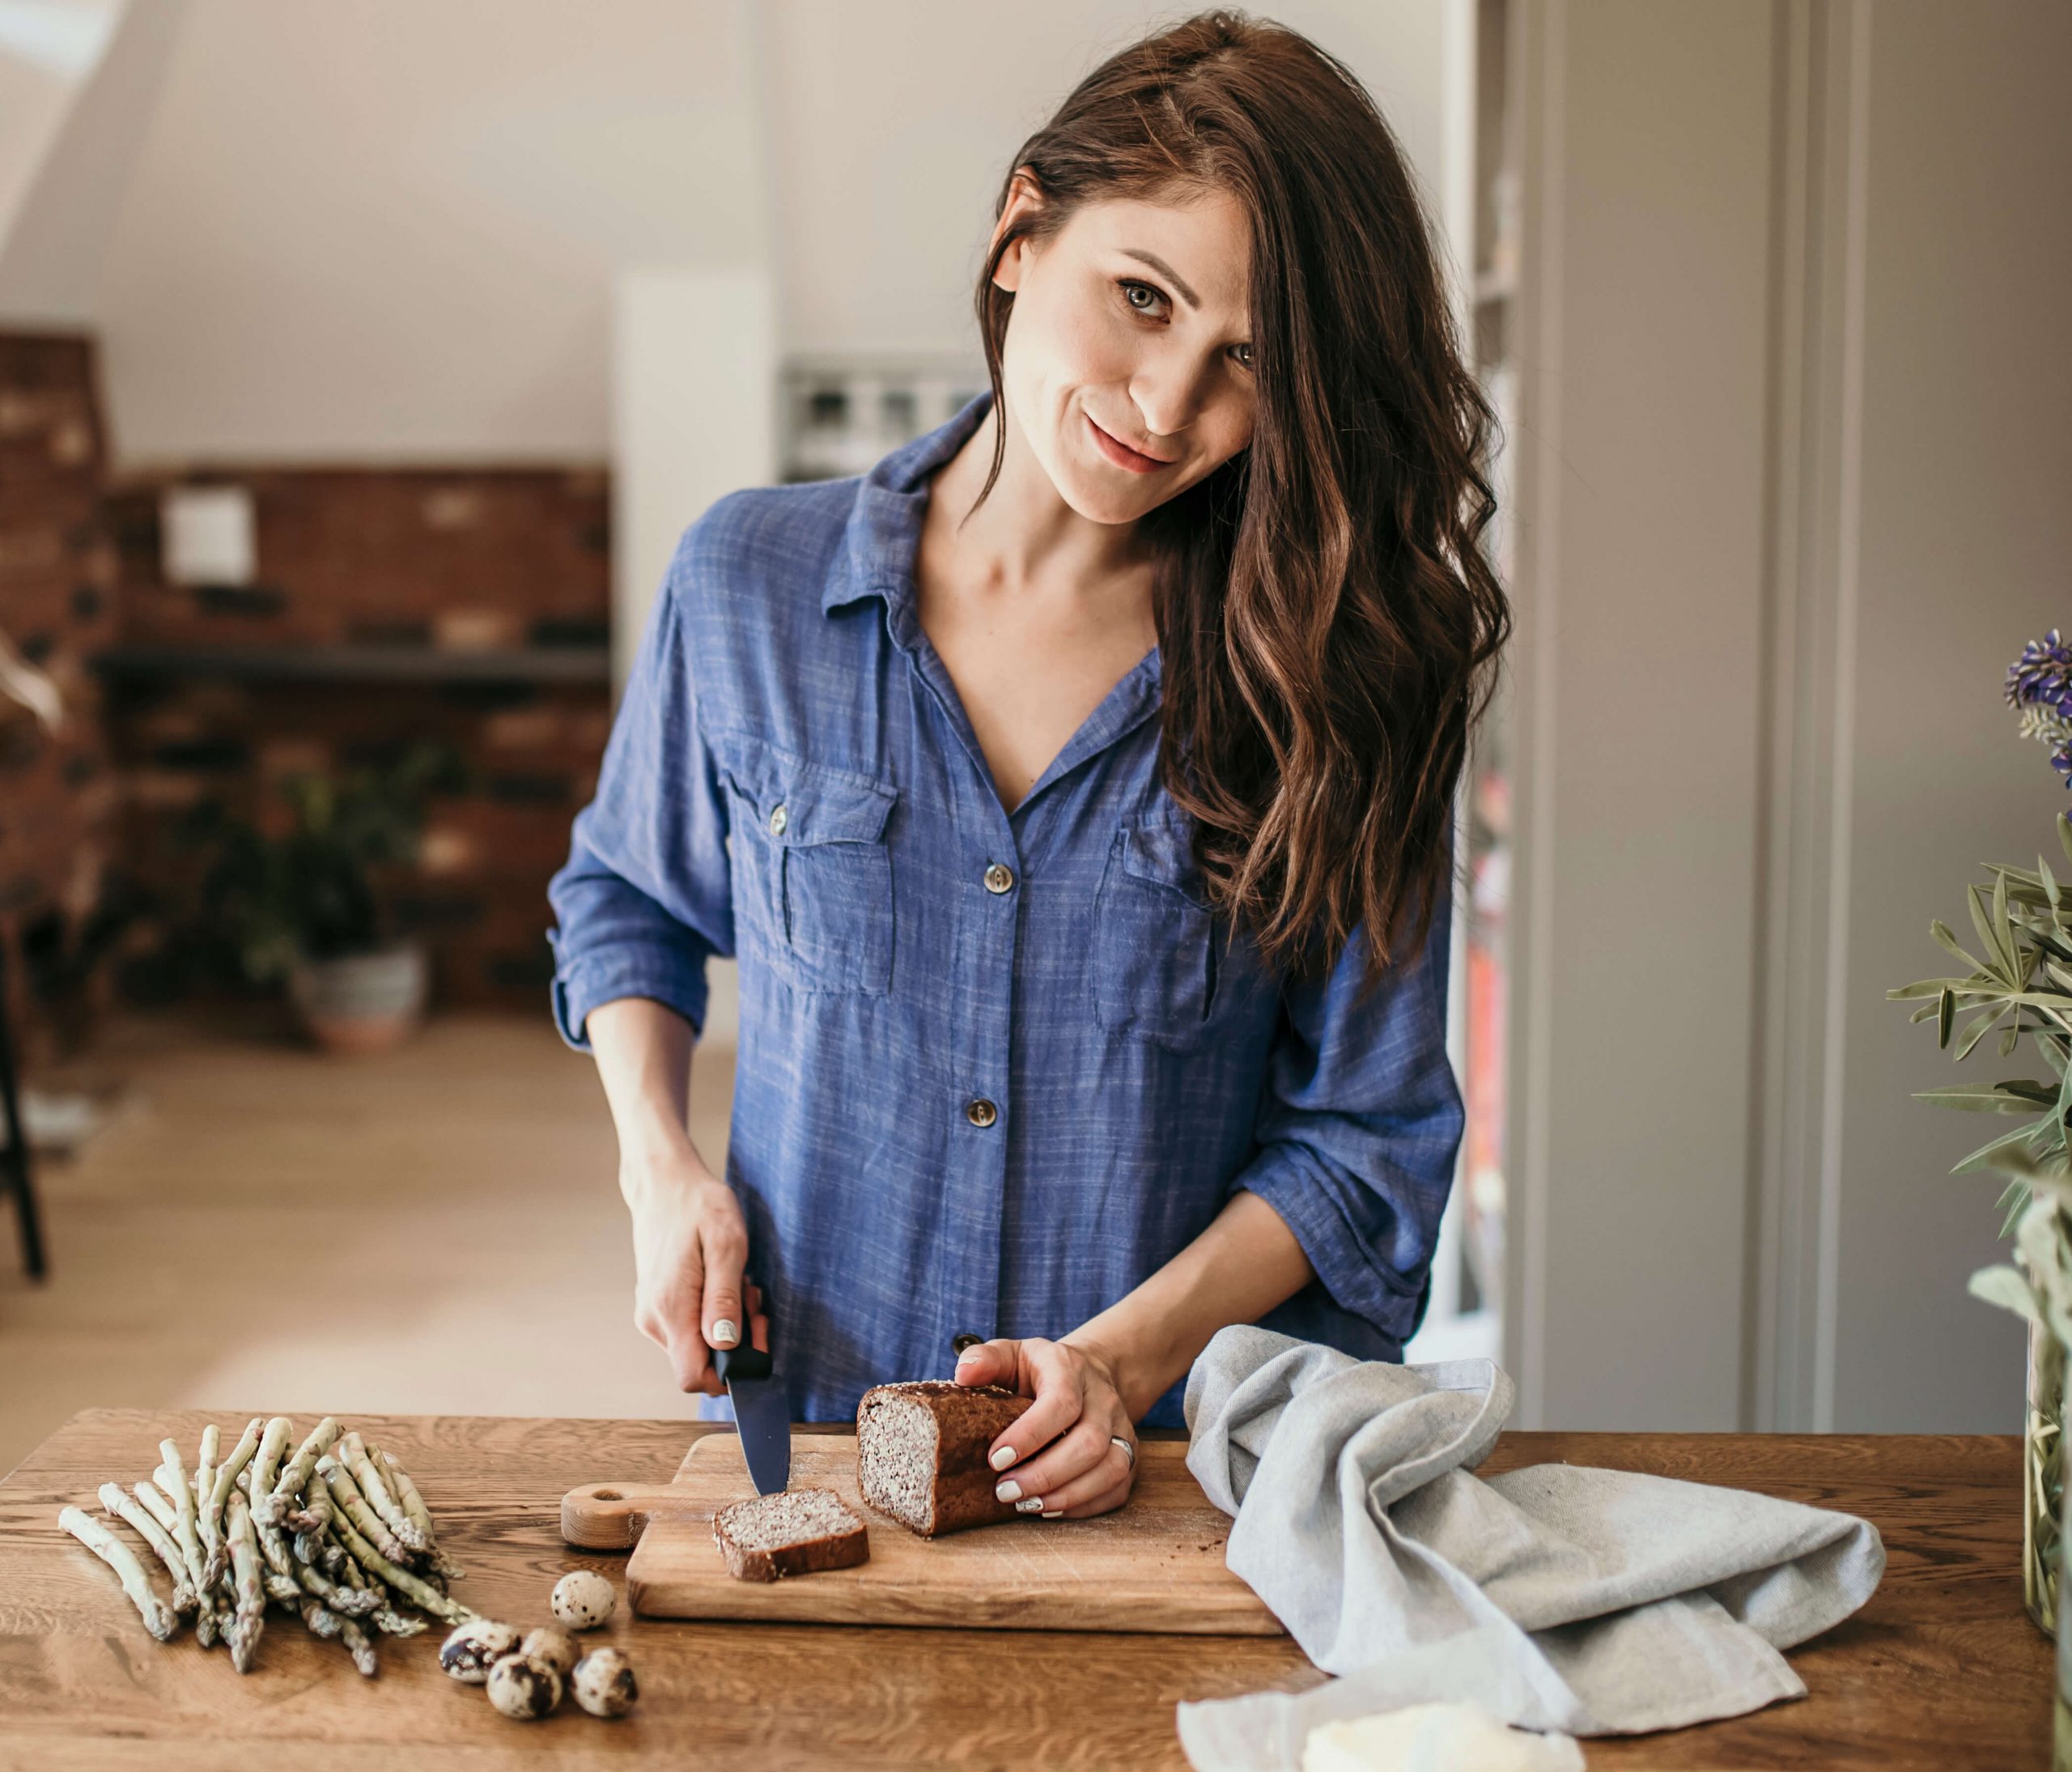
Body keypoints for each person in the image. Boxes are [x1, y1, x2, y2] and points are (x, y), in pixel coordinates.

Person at [546, 9, 1509, 1523]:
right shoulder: (745, 582)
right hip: (815, 1454)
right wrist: (659, 1162)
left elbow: (1366, 1141)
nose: (1168, 404)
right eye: (1143, 297)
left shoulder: (1338, 667)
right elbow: (626, 900)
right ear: (1019, 233)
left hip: (1174, 1487)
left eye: (1246, 360)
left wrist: (1123, 1362)